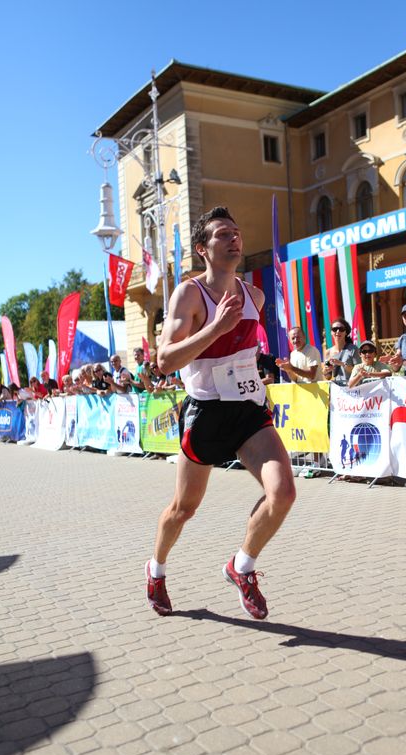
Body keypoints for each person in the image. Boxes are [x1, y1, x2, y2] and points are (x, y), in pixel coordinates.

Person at [145, 206, 296, 620]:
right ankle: (156, 570)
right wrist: (215, 328)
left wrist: (258, 383)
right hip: (206, 413)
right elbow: (164, 361)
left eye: (236, 232)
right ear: (203, 249)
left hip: (247, 410)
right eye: (222, 234)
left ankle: (241, 567)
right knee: (184, 509)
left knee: (283, 493)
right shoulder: (189, 294)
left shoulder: (254, 296)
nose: (234, 238)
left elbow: (242, 354)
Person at [322, 318, 360, 386]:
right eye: (335, 329)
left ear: (346, 332)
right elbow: (328, 377)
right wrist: (325, 371)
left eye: (341, 329)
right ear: (331, 332)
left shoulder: (353, 349)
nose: (338, 331)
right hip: (337, 389)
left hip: (352, 388)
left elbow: (358, 371)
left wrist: (341, 364)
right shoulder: (328, 352)